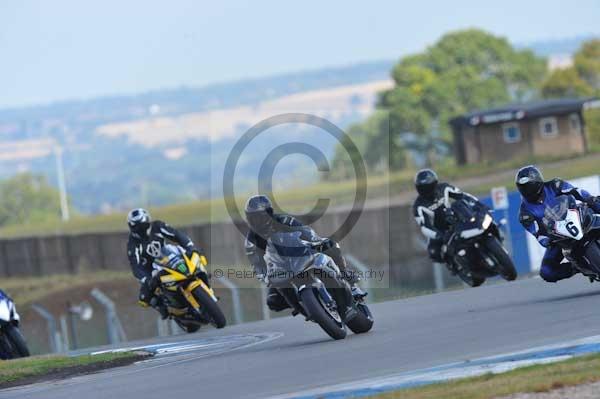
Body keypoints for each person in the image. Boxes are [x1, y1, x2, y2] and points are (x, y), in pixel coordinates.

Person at [243, 195, 365, 314]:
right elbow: (256, 264)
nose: (256, 221)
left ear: (269, 213)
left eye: (259, 217)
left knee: (330, 245)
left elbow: (305, 231)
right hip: (281, 268)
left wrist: (316, 241)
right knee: (272, 300)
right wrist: (265, 276)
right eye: (252, 218)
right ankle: (303, 307)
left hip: (301, 254)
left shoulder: (284, 220)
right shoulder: (251, 240)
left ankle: (346, 275)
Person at [516, 165, 600, 283]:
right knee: (546, 272)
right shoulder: (524, 213)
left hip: (575, 216)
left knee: (596, 203)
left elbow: (575, 191)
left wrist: (589, 198)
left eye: (530, 186)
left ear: (538, 182)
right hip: (556, 237)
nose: (528, 190)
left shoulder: (554, 185)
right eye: (524, 188)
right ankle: (576, 267)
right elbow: (537, 233)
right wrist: (546, 240)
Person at [127, 208, 208, 319]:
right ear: (131, 227)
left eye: (143, 225)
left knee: (194, 256)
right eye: (137, 227)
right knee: (144, 299)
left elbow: (177, 235)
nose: (141, 229)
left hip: (168, 256)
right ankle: (164, 308)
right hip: (152, 269)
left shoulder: (157, 226)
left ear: (148, 221)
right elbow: (135, 266)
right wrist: (147, 279)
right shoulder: (132, 244)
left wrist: (191, 248)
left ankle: (202, 275)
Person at [412, 169, 479, 266]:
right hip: (440, 229)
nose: (427, 190)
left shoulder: (444, 188)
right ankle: (454, 264)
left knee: (460, 206)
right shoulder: (418, 206)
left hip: (456, 218)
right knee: (434, 253)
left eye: (429, 186)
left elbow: (462, 196)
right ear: (418, 188)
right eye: (423, 188)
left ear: (435, 183)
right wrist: (438, 235)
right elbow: (425, 226)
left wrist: (476, 204)